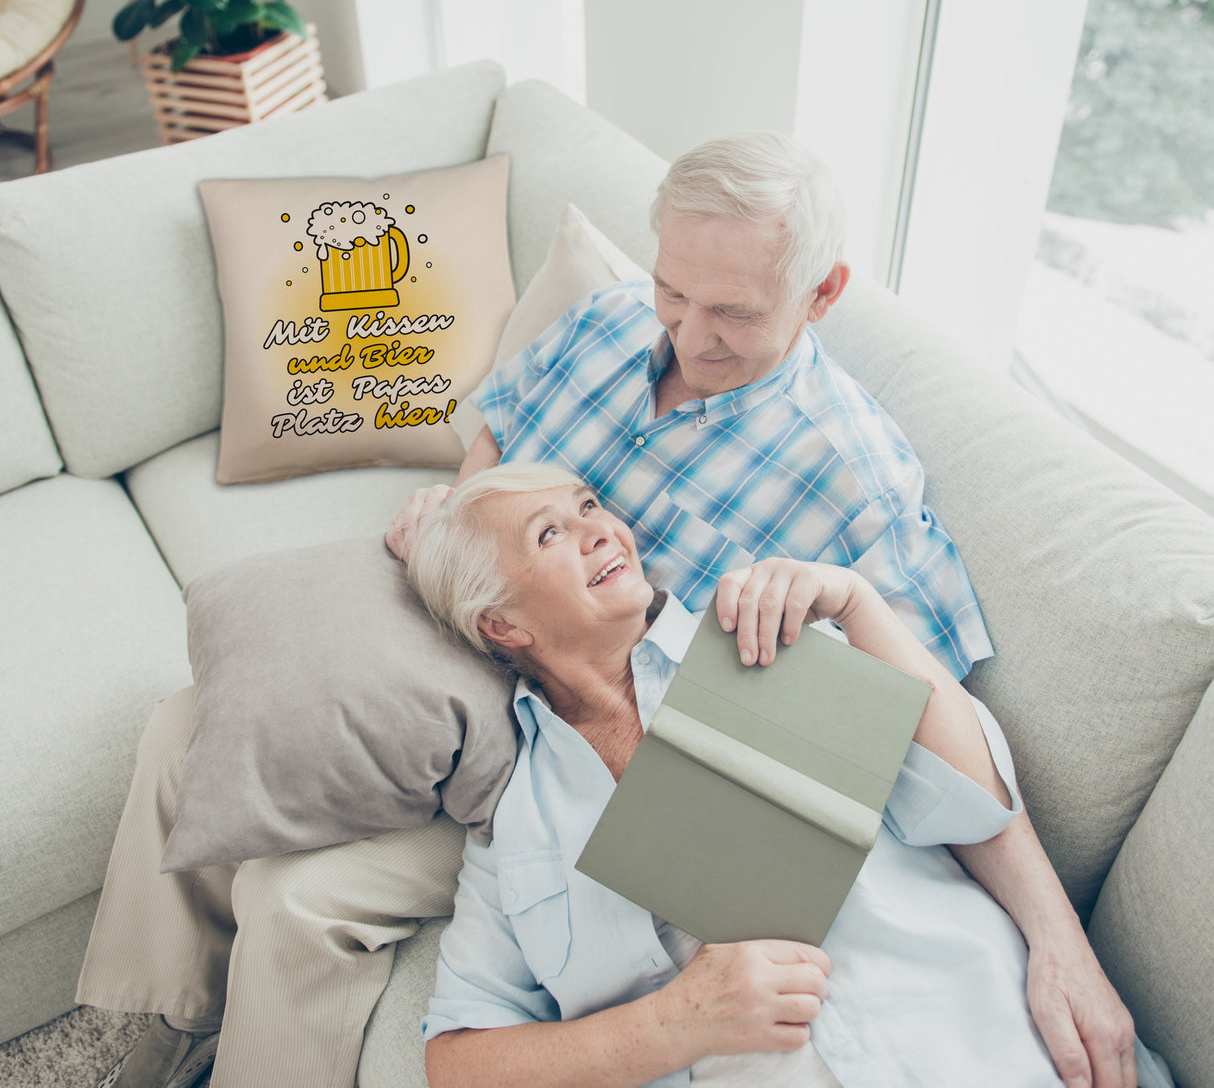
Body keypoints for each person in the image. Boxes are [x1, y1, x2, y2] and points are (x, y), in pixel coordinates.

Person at [79, 134, 1131, 1088]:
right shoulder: (608, 321)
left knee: (300, 898)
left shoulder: (853, 481)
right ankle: (159, 1024)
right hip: (488, 621)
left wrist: (1057, 937)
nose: (687, 331)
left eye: (732, 312)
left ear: (820, 294)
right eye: (674, 289)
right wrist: (457, 516)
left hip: (580, 726)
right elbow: (497, 436)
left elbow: (927, 729)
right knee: (192, 721)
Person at [407, 462, 1157, 1088]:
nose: (601, 528)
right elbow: (457, 1060)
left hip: (988, 1040)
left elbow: (972, 803)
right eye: (550, 533)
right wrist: (672, 1024)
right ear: (502, 624)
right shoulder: (516, 826)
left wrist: (858, 604)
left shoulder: (761, 635)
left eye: (589, 506)